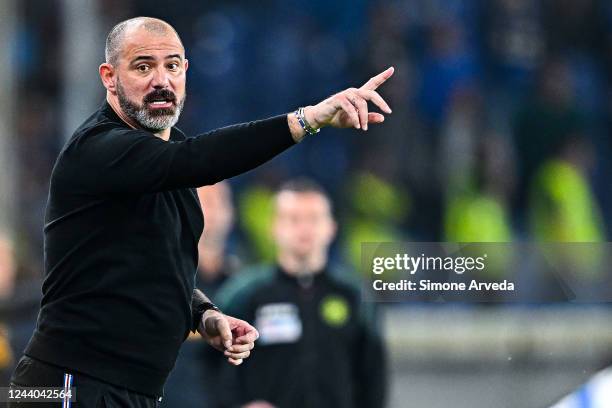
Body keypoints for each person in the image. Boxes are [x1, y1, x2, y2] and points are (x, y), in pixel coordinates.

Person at [8, 16, 394, 408]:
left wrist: (204, 315)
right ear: (109, 77)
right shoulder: (100, 148)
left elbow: (149, 264)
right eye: (143, 66)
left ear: (186, 71)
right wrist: (308, 119)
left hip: (129, 388)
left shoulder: (168, 158)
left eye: (172, 65)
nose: (161, 80)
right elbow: (200, 159)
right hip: (66, 382)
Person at [216, 179, 387, 408]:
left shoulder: (354, 295)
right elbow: (213, 365)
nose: (304, 229)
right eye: (294, 219)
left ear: (331, 227)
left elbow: (374, 374)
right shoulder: (244, 294)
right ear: (274, 227)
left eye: (314, 219)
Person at [164, 181, 241, 408]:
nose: (214, 212)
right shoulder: (161, 282)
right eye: (205, 201)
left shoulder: (243, 288)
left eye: (220, 202)